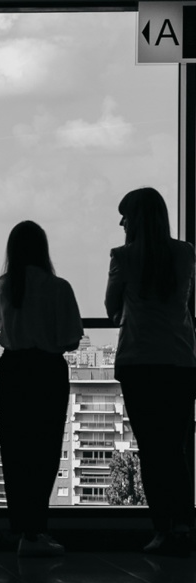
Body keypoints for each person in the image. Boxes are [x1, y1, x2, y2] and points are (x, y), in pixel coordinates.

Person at [105, 187, 196, 557]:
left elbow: (112, 308)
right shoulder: (185, 253)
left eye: (125, 215)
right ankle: (184, 525)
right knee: (177, 447)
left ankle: (161, 528)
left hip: (139, 361)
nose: (122, 222)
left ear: (137, 220)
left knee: (152, 450)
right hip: (180, 359)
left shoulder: (123, 257)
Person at [0, 221, 83, 557]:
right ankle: (37, 529)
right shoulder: (59, 288)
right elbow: (72, 339)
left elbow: (0, 331)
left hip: (13, 369)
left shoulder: (5, 287)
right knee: (45, 452)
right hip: (47, 369)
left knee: (14, 452)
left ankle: (20, 529)